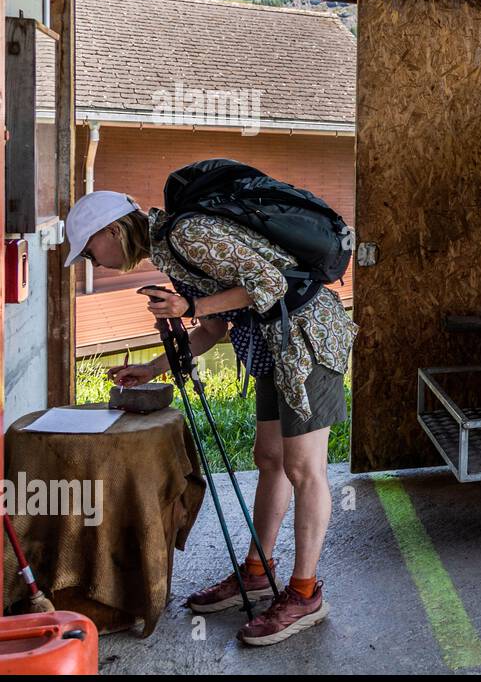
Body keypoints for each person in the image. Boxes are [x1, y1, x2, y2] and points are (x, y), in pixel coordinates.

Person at [63, 187, 357, 646]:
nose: (92, 262)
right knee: (269, 458)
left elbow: (271, 283)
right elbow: (214, 328)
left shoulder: (189, 233)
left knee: (304, 467)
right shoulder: (169, 252)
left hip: (307, 336)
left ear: (113, 230)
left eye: (89, 249)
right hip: (274, 344)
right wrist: (154, 367)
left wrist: (190, 306)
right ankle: (259, 572)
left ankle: (305, 594)